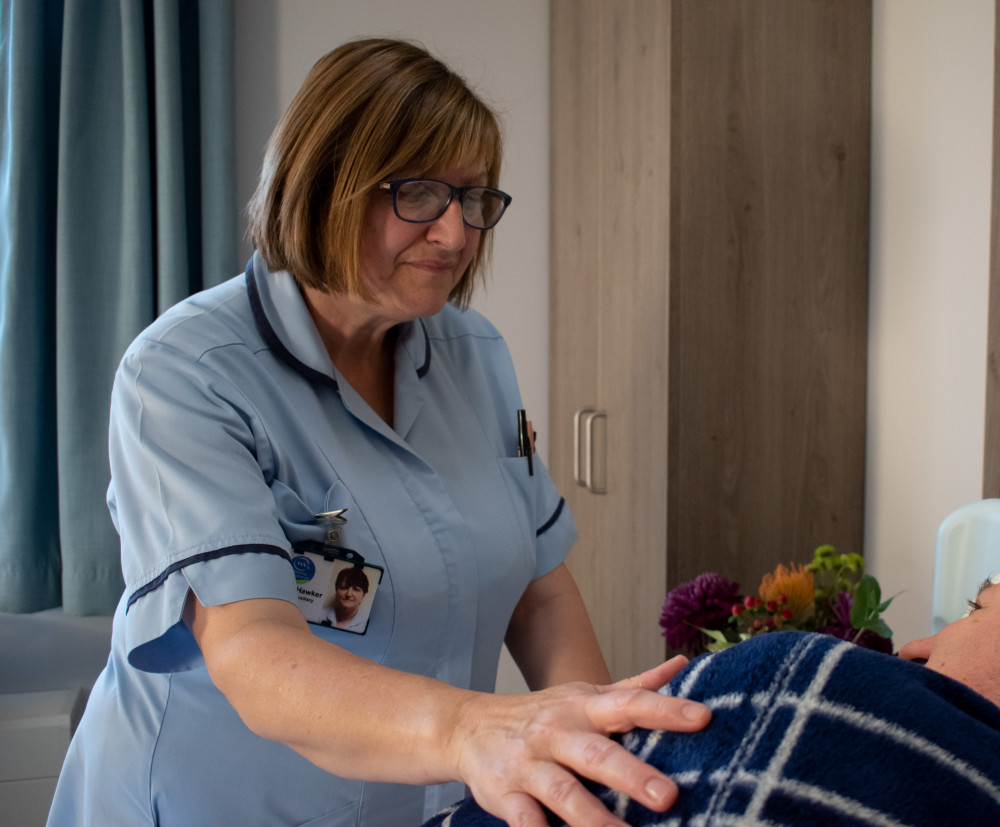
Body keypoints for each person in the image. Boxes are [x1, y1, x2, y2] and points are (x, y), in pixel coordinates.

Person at [46, 38, 711, 827]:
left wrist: (601, 761)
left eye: (474, 199)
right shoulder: (185, 374)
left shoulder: (478, 356)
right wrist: (471, 727)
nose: (458, 234)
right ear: (325, 182)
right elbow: (256, 654)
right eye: (423, 195)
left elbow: (539, 591)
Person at [426, 577, 1000, 826]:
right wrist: (464, 728)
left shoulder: (808, 679)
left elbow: (539, 591)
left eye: (975, 609)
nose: (915, 648)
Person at [322, 565, 370, 631]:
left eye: (356, 589)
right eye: (344, 588)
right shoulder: (319, 615)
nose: (349, 594)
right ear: (336, 592)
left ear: (363, 596)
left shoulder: (365, 626)